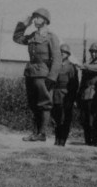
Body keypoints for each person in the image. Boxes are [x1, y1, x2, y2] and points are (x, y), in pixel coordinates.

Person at [13, 8, 62, 142]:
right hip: (31, 73)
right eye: (34, 18)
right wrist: (24, 24)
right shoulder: (33, 36)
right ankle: (35, 133)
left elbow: (57, 59)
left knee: (44, 104)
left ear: (45, 20)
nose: (35, 20)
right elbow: (17, 38)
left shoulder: (51, 37)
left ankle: (42, 133)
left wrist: (52, 77)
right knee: (33, 103)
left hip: (43, 74)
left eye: (38, 18)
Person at [78, 43, 97, 146]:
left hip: (95, 94)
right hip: (85, 94)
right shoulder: (88, 63)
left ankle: (94, 141)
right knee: (84, 119)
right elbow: (82, 81)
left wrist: (85, 66)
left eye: (96, 52)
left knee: (93, 120)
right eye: (92, 52)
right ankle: (87, 140)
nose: (94, 54)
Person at [52, 44, 79, 146]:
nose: (62, 54)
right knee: (56, 119)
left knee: (65, 119)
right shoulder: (56, 65)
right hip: (56, 95)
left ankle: (62, 140)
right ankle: (56, 139)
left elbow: (74, 84)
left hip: (66, 96)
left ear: (68, 54)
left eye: (64, 52)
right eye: (60, 52)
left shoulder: (71, 67)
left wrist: (72, 98)